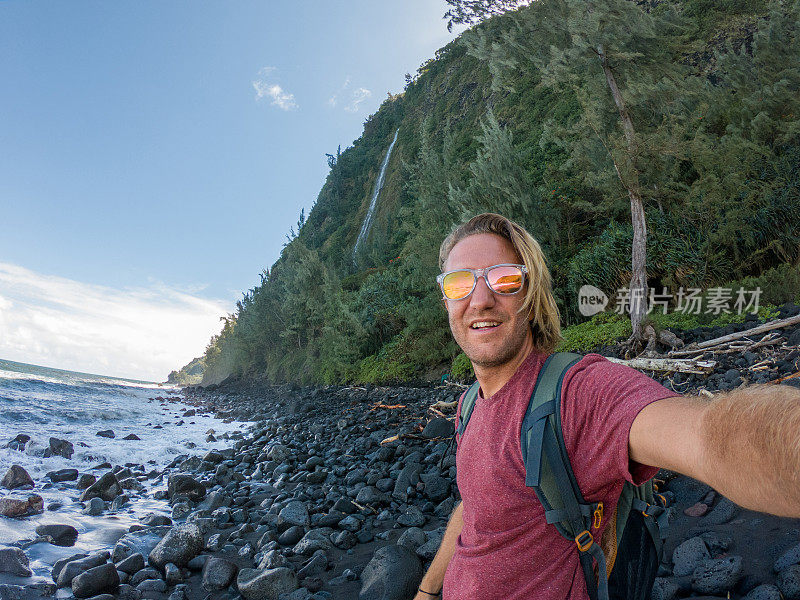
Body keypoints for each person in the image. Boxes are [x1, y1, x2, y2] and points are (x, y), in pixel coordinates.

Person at [413, 212, 800, 600]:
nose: (479, 299)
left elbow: (710, 438)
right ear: (446, 300)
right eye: (460, 282)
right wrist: (429, 591)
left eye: (505, 278)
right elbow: (476, 508)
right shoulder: (468, 407)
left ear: (530, 300)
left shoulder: (578, 395)